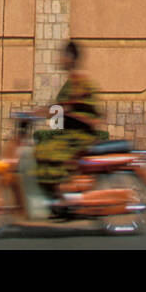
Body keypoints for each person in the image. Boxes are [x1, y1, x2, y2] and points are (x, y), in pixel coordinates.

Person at [34, 40, 103, 193]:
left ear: (71, 58)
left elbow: (70, 105)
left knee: (45, 151)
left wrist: (43, 112)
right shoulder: (72, 80)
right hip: (69, 133)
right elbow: (62, 111)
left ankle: (60, 194)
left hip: (78, 137)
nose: (60, 59)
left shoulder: (79, 80)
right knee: (41, 145)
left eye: (63, 56)